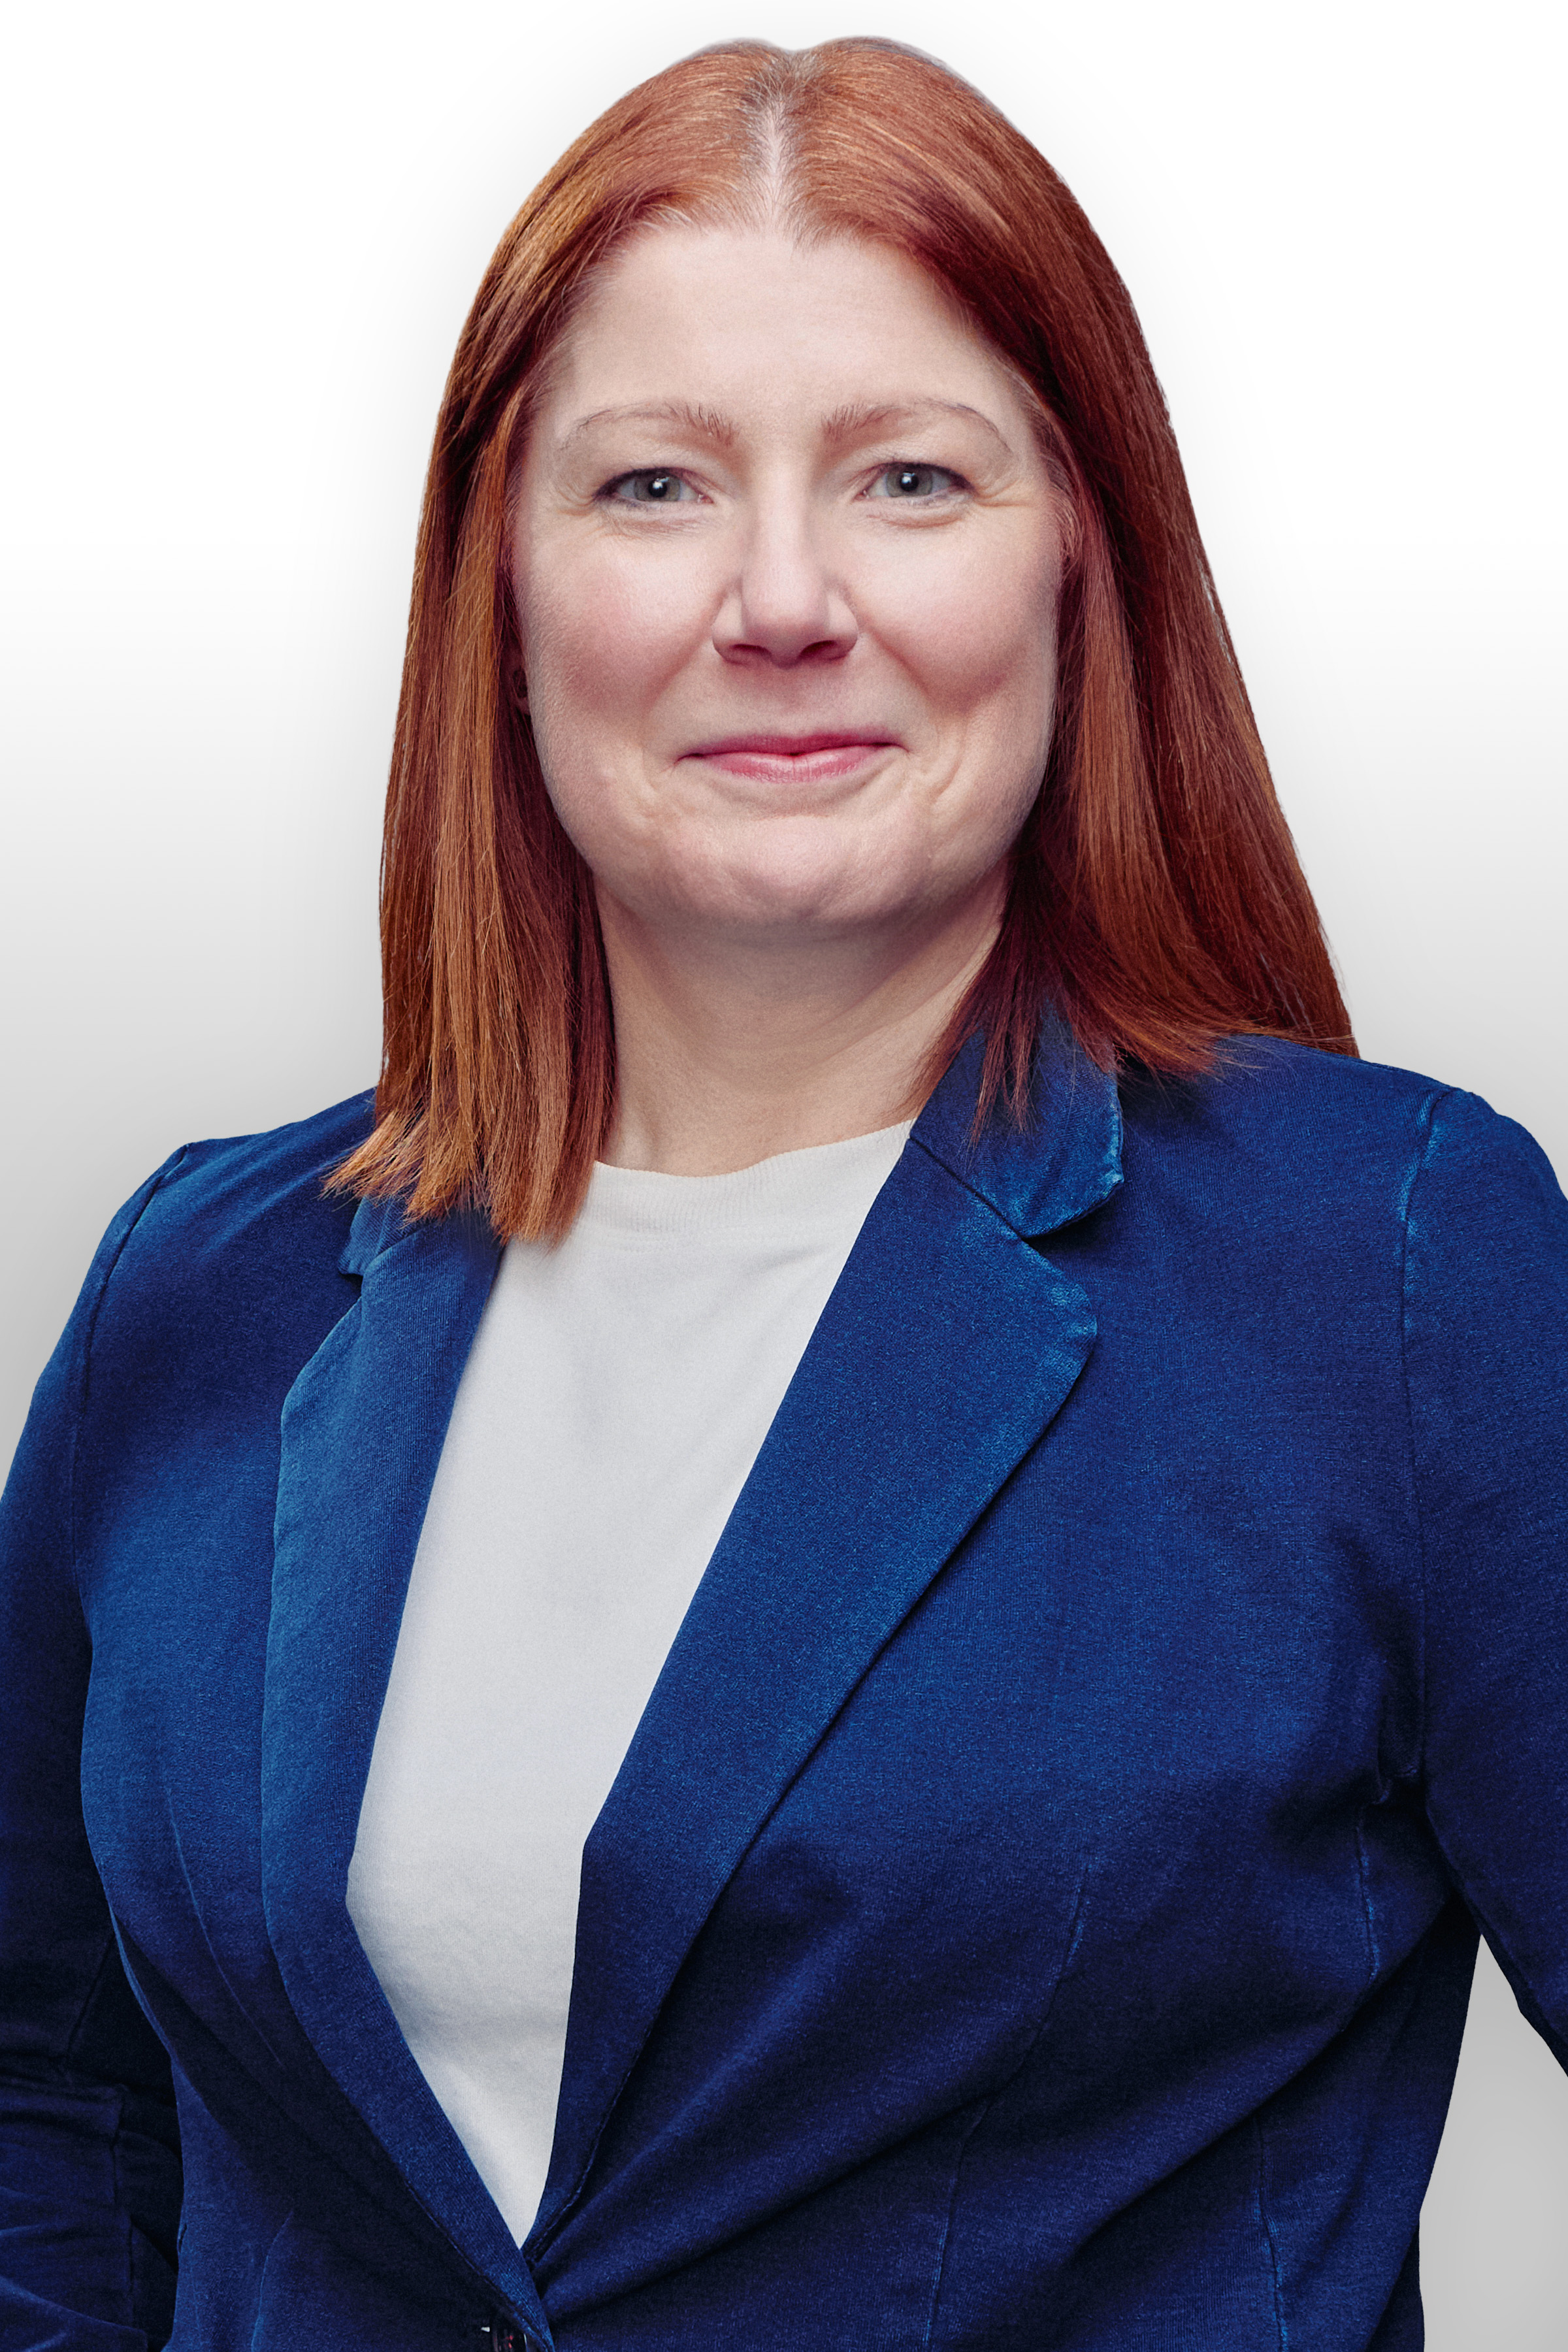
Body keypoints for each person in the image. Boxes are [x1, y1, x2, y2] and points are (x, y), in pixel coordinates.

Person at [1, 33, 1563, 2352]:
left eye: (910, 477)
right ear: (500, 582)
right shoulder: (199, 1291)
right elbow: (48, 2100)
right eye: (654, 486)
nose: (784, 598)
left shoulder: (1391, 1263)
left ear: (1081, 555)